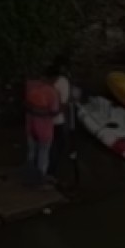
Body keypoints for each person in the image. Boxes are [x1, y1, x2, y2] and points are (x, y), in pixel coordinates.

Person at [24, 66, 62, 186]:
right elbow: (54, 111)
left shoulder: (32, 88)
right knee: (43, 154)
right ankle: (40, 179)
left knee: (32, 152)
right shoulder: (52, 93)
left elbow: (26, 106)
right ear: (54, 78)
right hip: (45, 129)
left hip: (31, 127)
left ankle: (29, 176)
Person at [48, 56, 78, 185]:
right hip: (57, 120)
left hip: (43, 118)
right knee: (57, 146)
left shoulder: (47, 80)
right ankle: (51, 172)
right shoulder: (63, 82)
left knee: (47, 145)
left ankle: (45, 170)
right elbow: (64, 104)